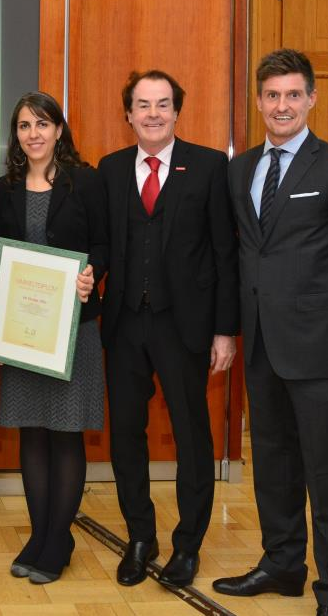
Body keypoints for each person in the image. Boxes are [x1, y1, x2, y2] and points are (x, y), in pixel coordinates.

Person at [213, 49, 328, 616]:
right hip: (262, 345)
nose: (281, 105)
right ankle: (283, 564)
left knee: (326, 471)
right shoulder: (240, 170)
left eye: (293, 94)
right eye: (272, 95)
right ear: (259, 101)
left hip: (319, 348)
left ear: (311, 98)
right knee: (272, 464)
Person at [96, 70, 238, 589]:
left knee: (192, 436)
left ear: (177, 111)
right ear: (128, 114)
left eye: (162, 104)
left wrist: (226, 330)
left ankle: (188, 544)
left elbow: (225, 252)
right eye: (142, 105)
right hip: (126, 324)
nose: (153, 114)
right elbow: (105, 243)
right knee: (127, 434)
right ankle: (140, 536)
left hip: (185, 327)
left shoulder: (207, 166)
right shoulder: (109, 169)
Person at [0, 91, 106, 585]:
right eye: (23, 126)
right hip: (21, 331)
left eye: (42, 124)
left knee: (65, 431)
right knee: (32, 431)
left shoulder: (87, 181)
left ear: (59, 130)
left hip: (74, 329)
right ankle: (40, 534)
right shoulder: (5, 186)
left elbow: (104, 241)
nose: (32, 134)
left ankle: (59, 539)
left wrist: (92, 273)